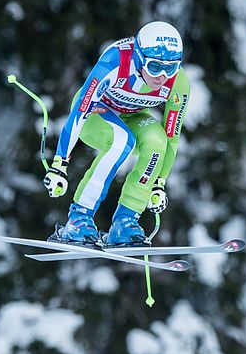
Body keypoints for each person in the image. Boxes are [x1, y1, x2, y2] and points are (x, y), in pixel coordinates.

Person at [43, 21, 190, 247]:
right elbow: (80, 111)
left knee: (157, 142)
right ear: (140, 58)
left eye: (170, 68)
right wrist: (59, 165)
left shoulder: (178, 83)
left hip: (131, 116)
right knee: (122, 141)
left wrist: (159, 183)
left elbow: (172, 136)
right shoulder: (115, 62)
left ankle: (125, 222)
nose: (162, 76)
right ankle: (79, 218)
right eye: (154, 67)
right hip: (94, 113)